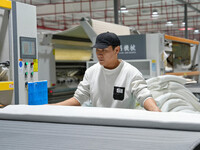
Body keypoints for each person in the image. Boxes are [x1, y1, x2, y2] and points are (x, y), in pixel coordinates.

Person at [53, 32, 161, 112]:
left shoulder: (131, 73)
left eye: (104, 50)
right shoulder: (91, 72)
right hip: (99, 125)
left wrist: (156, 112)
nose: (99, 54)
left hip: (123, 126)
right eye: (97, 51)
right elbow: (78, 99)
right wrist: (51, 108)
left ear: (117, 50)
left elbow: (144, 96)